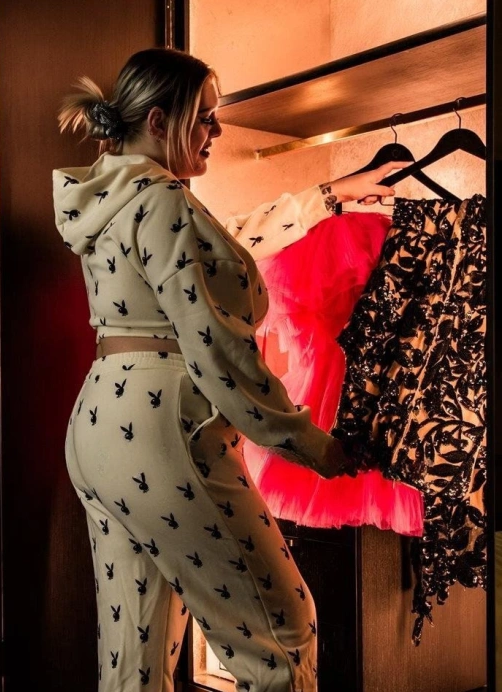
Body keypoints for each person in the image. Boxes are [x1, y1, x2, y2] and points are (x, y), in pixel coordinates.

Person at [53, 47, 409, 692]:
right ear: (159, 122)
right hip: (163, 430)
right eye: (206, 117)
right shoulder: (164, 202)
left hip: (102, 427)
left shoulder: (113, 199)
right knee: (281, 632)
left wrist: (328, 196)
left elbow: (230, 240)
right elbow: (217, 349)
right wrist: (307, 443)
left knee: (134, 658)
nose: (216, 130)